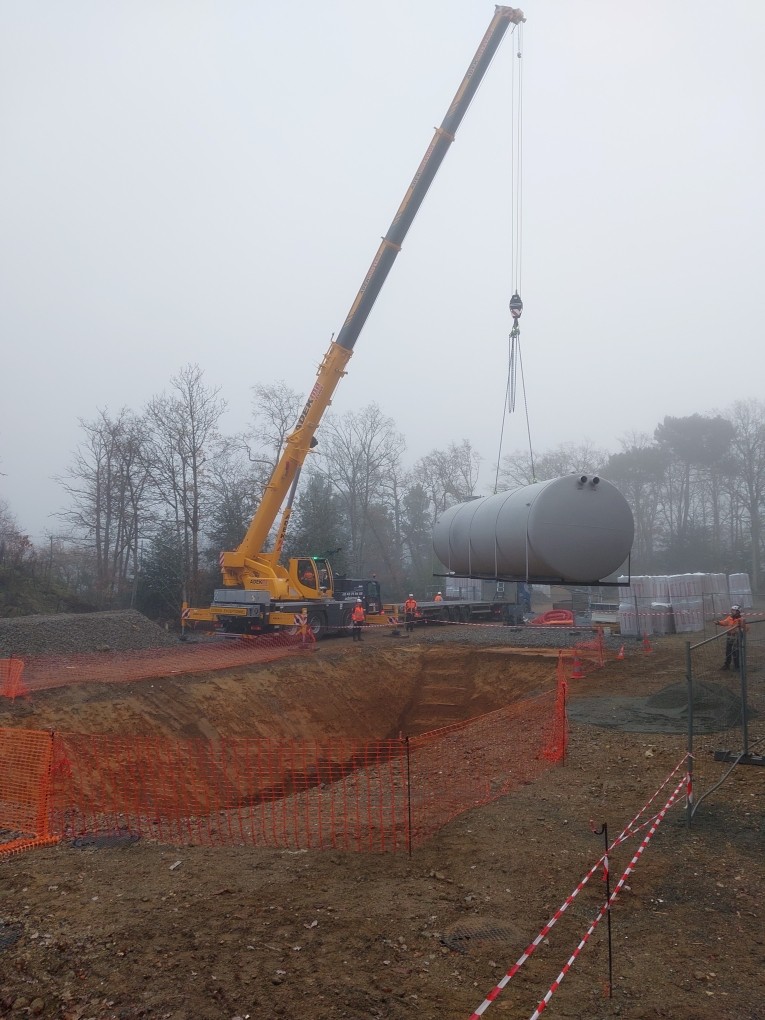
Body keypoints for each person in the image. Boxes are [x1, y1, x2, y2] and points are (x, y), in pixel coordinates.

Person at [715, 605, 747, 670]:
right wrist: (718, 622)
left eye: (734, 610)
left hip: (737, 636)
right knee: (728, 651)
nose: (732, 612)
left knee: (736, 651)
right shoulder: (730, 618)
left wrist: (742, 626)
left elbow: (746, 628)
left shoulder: (741, 619)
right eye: (732, 610)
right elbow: (725, 622)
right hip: (730, 635)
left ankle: (737, 666)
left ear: (738, 612)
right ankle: (727, 665)